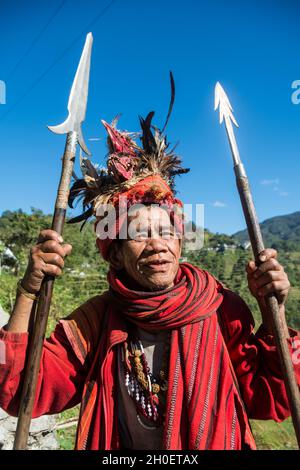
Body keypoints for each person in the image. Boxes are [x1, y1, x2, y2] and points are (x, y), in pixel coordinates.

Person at [0, 102, 299, 451]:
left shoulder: (220, 309)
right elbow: (18, 388)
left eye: (167, 232)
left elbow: (271, 396)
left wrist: (272, 310)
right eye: (140, 234)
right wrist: (28, 290)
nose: (158, 246)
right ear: (115, 253)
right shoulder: (95, 322)